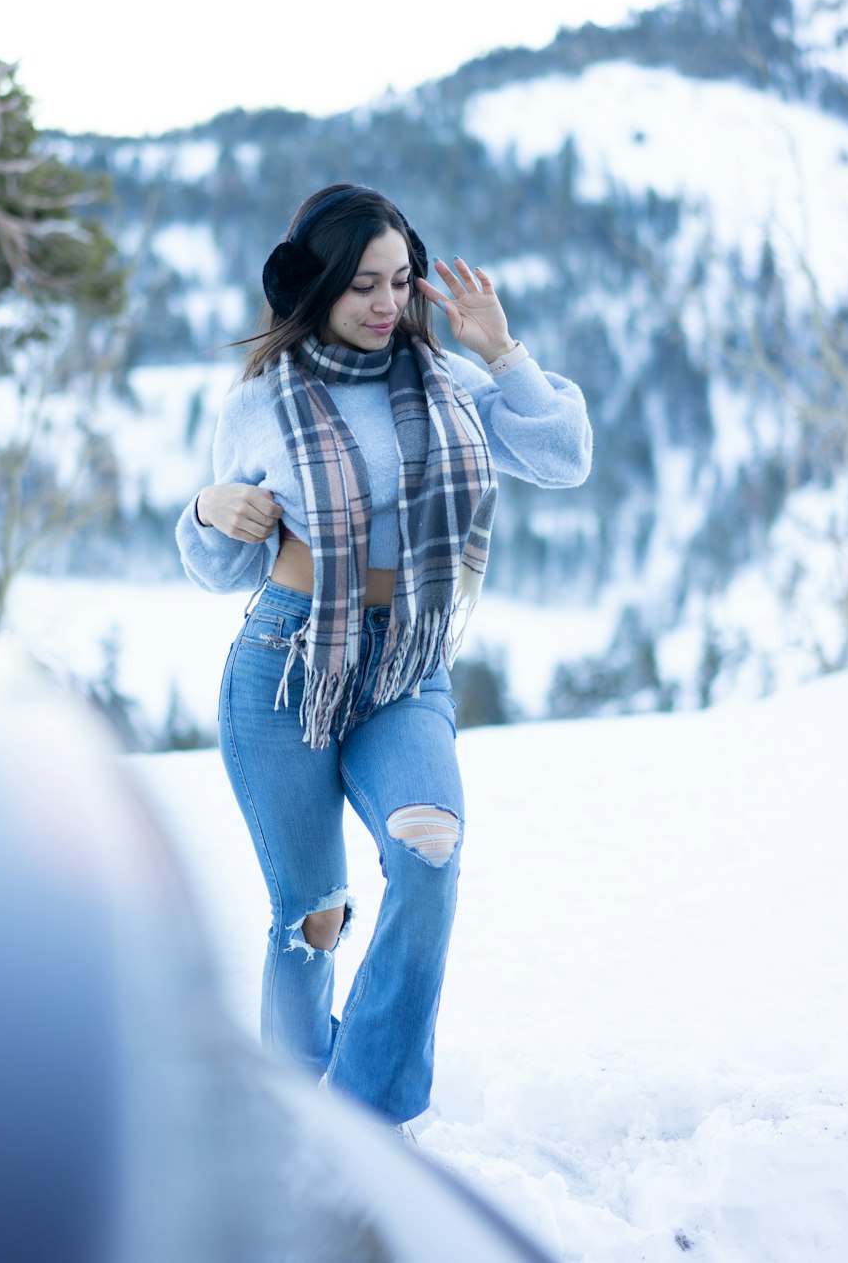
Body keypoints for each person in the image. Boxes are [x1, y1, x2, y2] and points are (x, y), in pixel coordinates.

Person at [175, 184, 591, 1127]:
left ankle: (363, 1115)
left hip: (407, 664)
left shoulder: (455, 383)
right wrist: (207, 511)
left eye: (400, 282)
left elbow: (565, 457)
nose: (385, 303)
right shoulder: (261, 404)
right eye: (363, 283)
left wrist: (504, 352)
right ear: (316, 285)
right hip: (286, 664)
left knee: (430, 849)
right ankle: (294, 1104)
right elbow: (220, 569)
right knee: (311, 914)